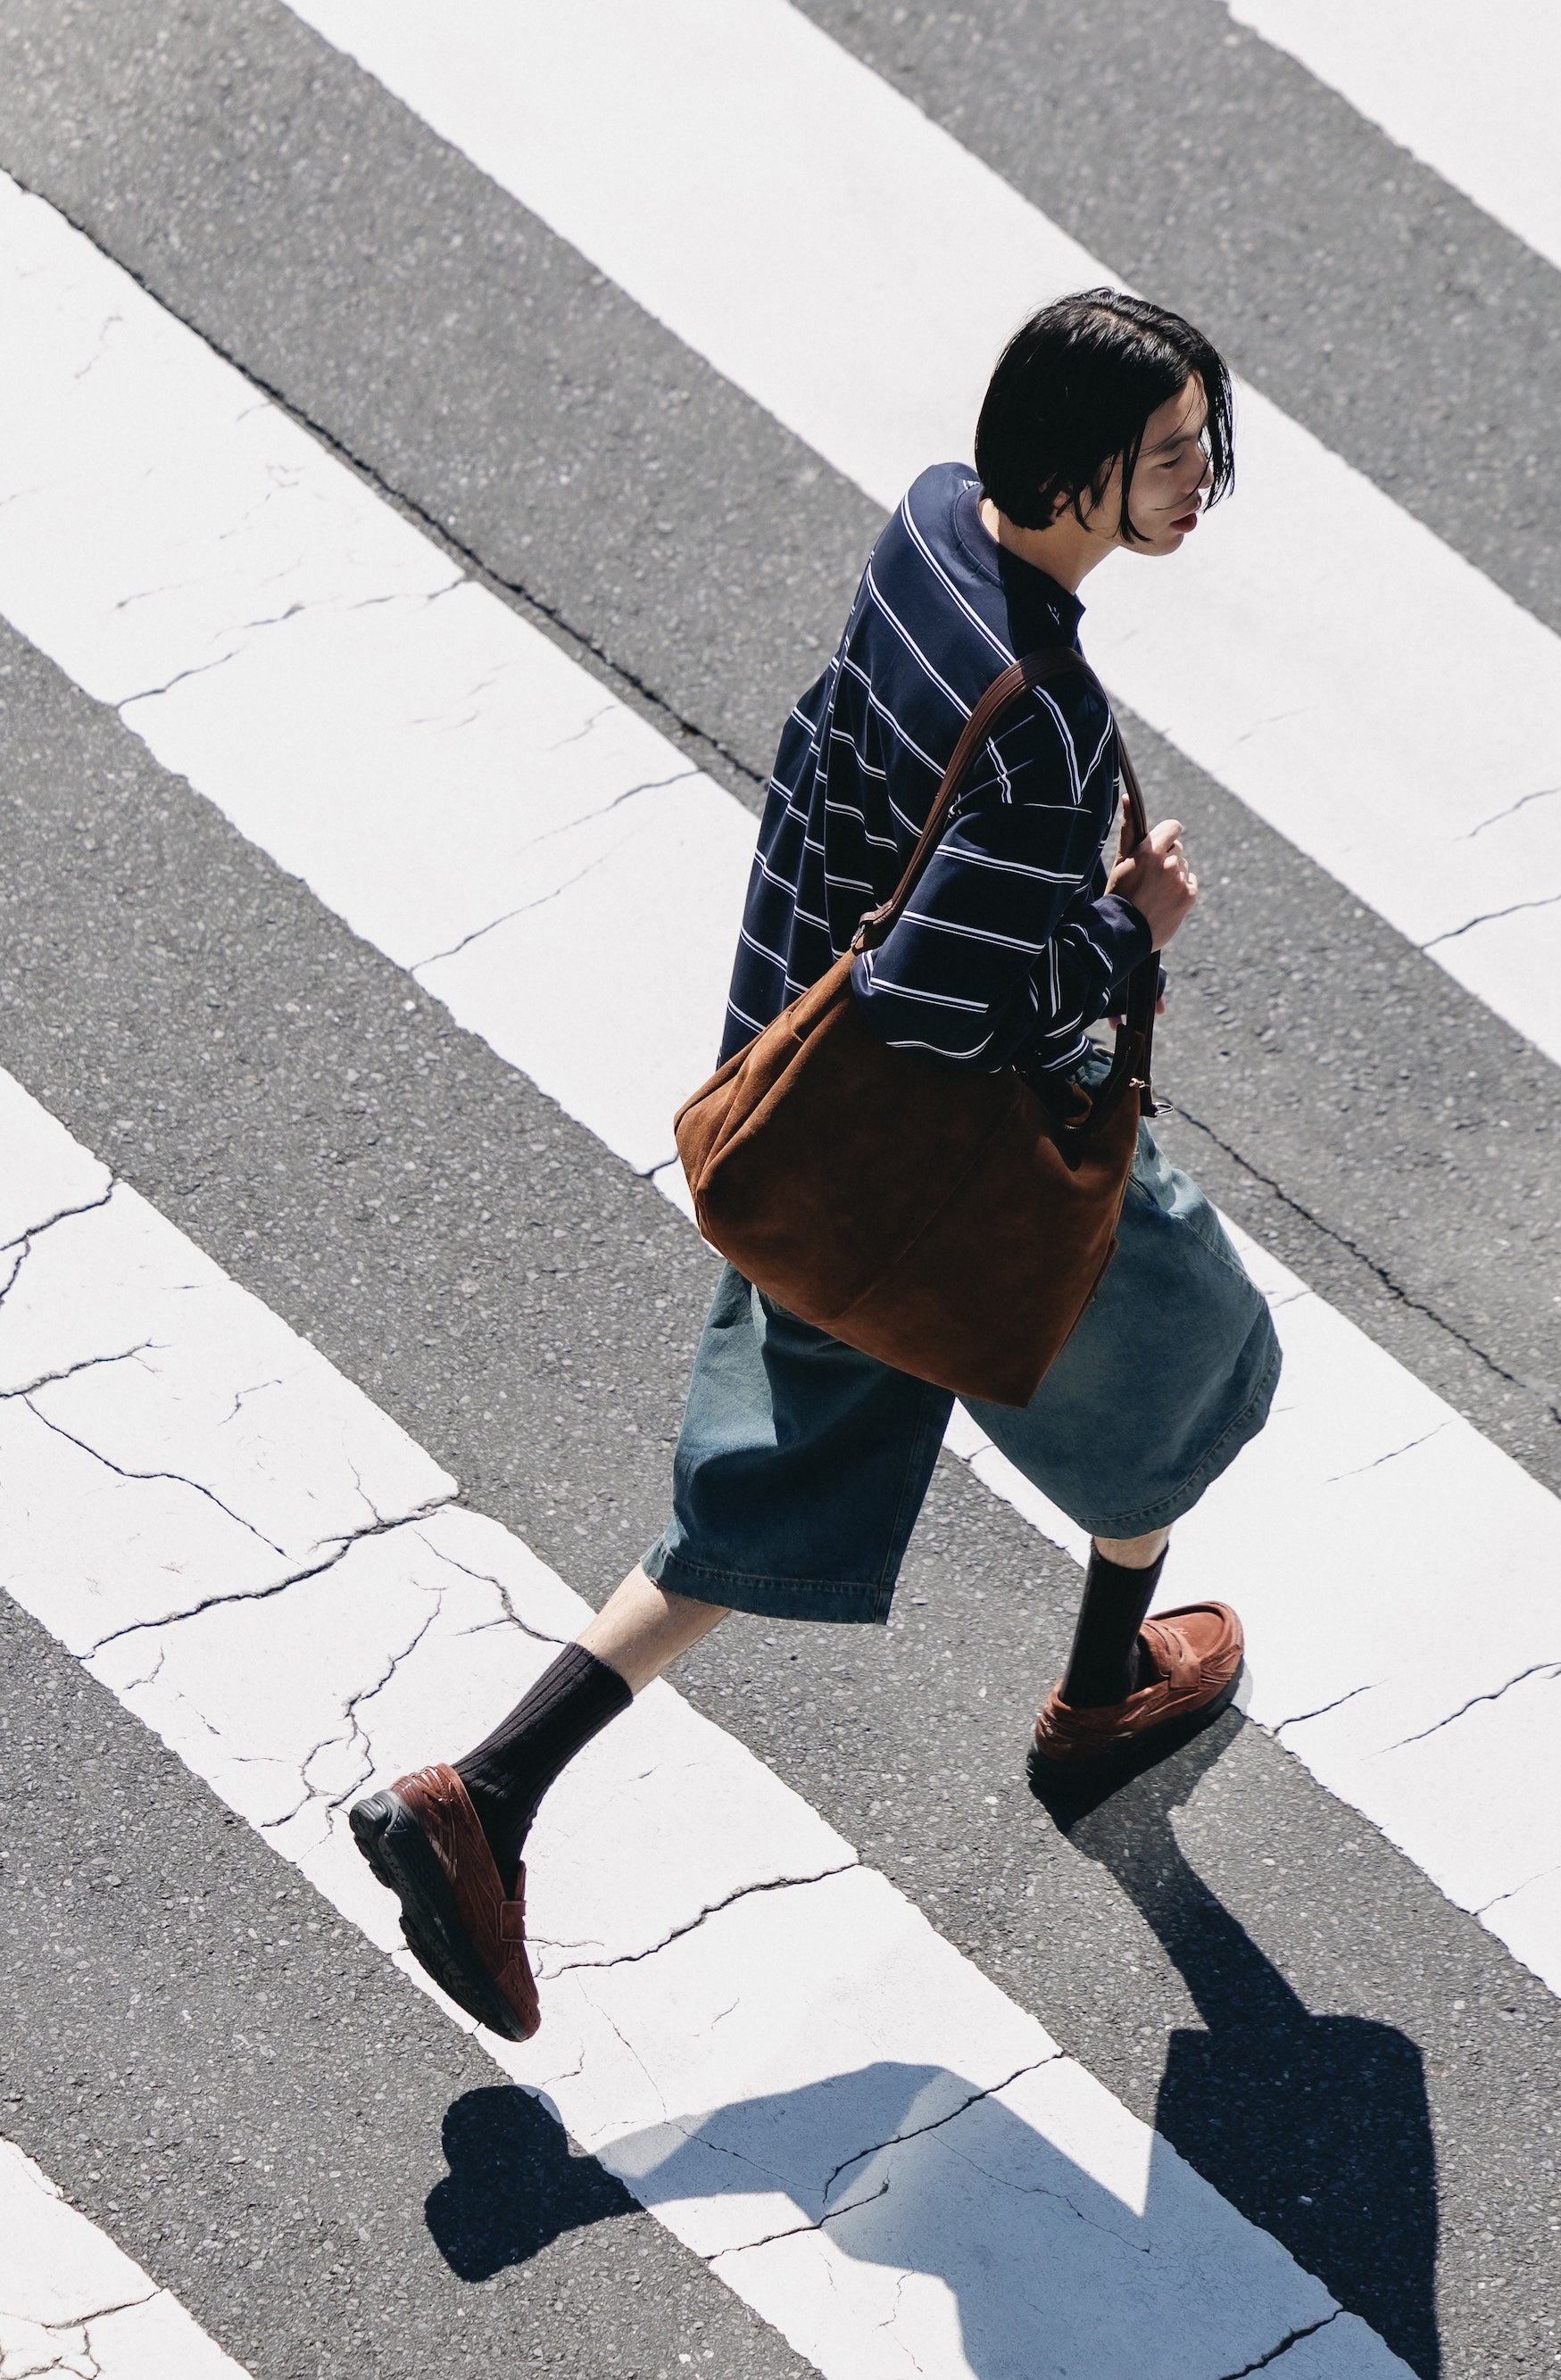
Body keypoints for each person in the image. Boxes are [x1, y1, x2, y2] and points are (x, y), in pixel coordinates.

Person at [351, 289, 1282, 2043]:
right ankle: (1099, 1689)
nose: (1204, 479)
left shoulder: (934, 522)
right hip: (943, 1164)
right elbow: (952, 994)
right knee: (1181, 1356)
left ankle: (484, 1794)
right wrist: (1122, 930)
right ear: (1080, 469)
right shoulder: (1037, 753)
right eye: (1172, 454)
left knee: (775, 1480)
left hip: (805, 1112)